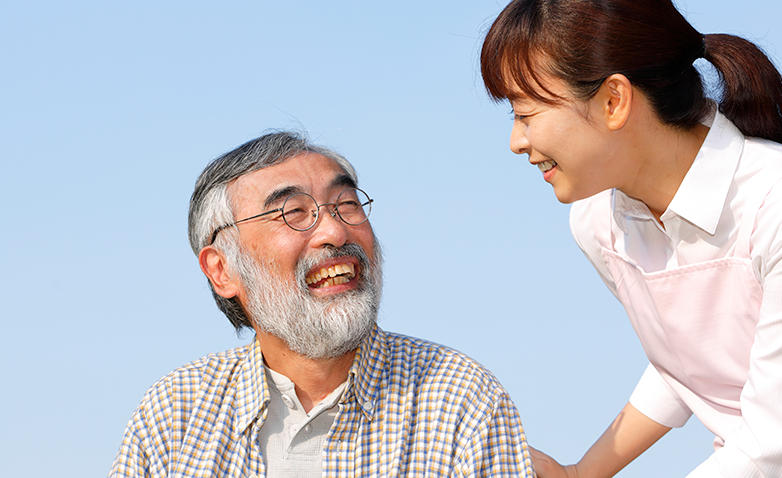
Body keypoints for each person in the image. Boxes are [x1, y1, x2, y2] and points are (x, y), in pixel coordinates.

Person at [478, 0, 782, 477]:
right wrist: (581, 473)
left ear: (613, 101)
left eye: (525, 113)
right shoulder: (598, 224)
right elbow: (684, 364)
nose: (517, 141)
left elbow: (769, 444)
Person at [108, 131, 535, 478]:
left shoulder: (460, 400)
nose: (333, 230)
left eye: (346, 204)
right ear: (222, 270)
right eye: (293, 212)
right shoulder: (175, 414)